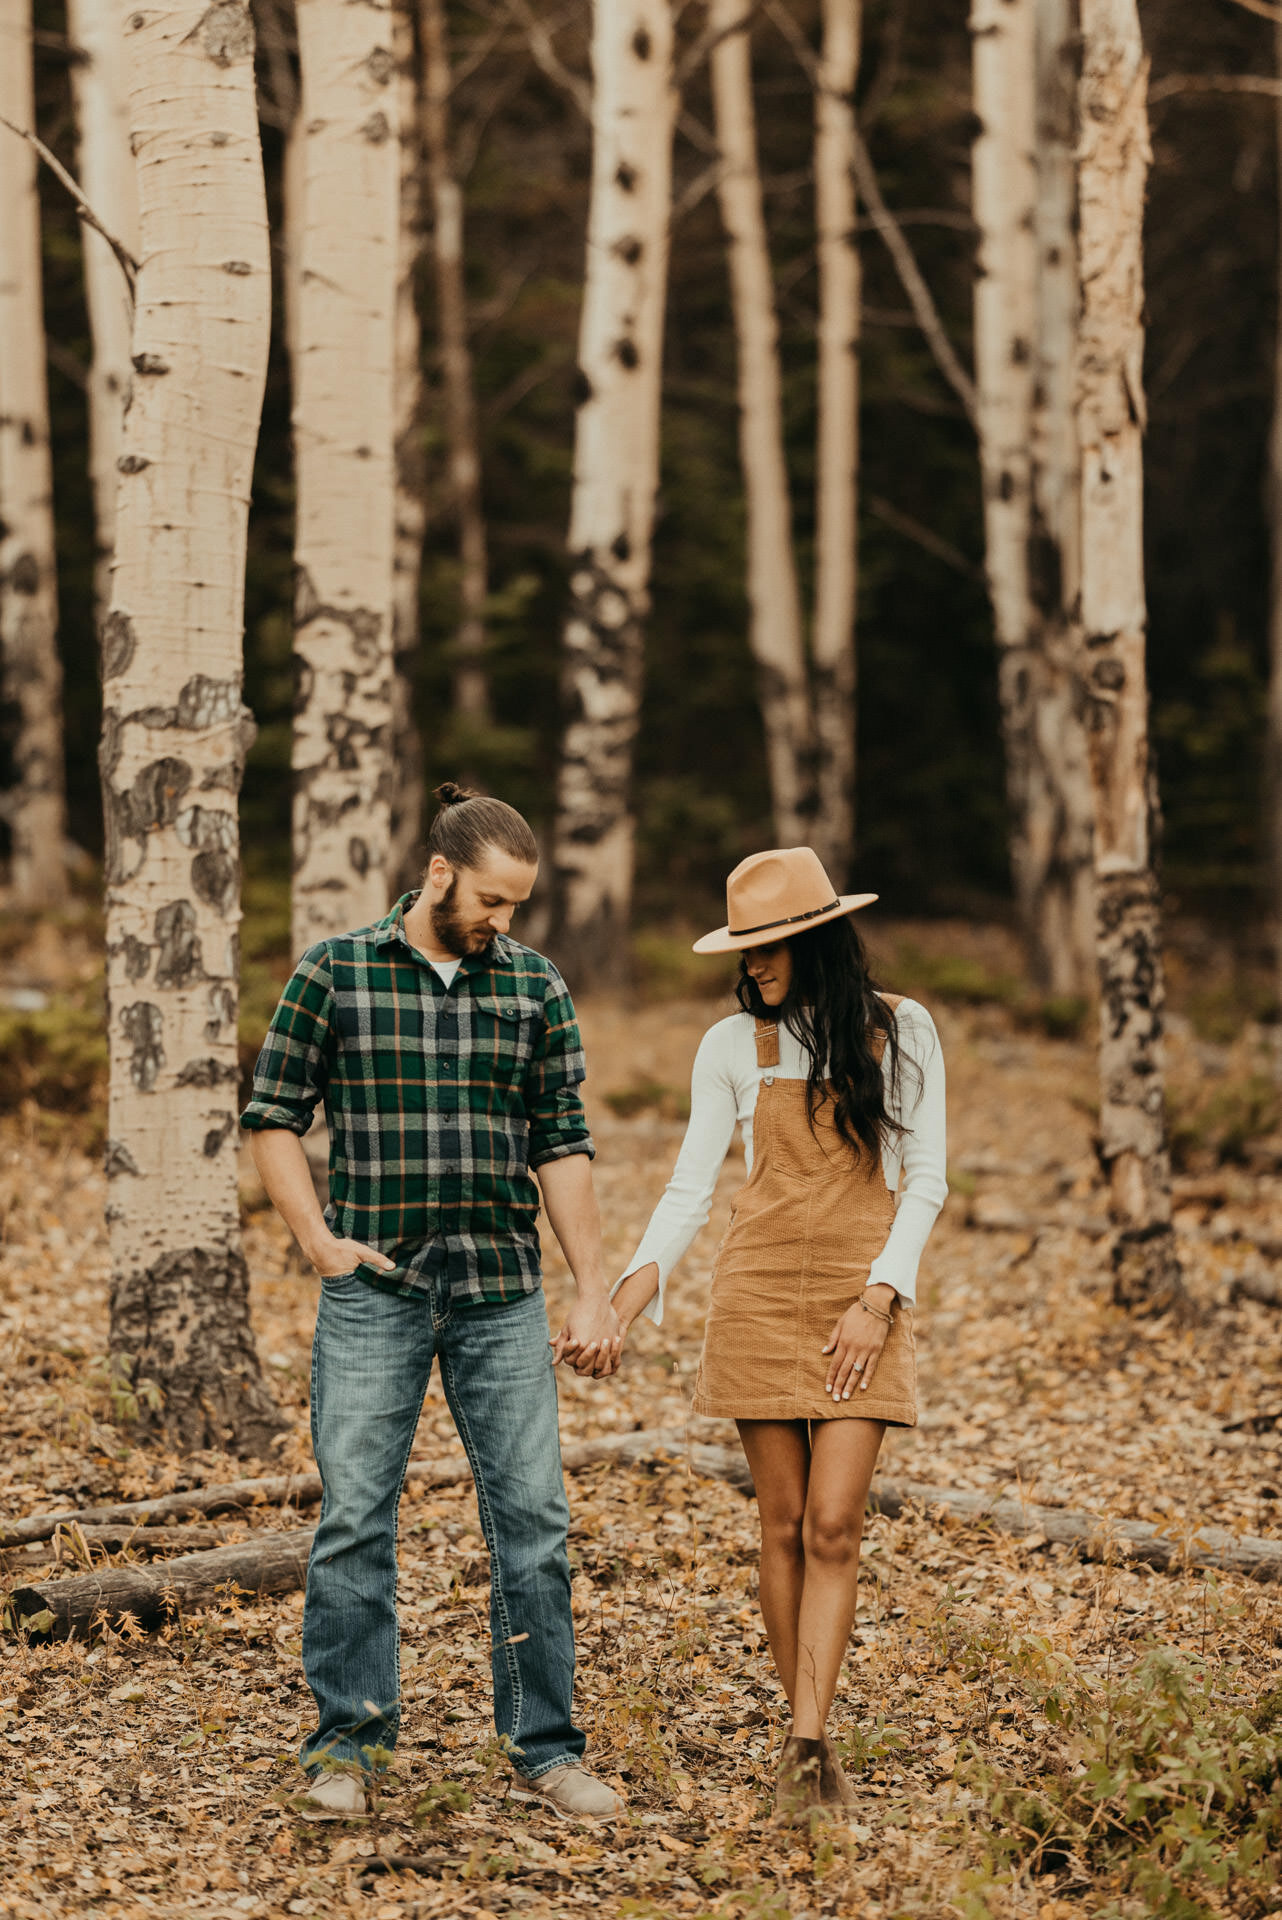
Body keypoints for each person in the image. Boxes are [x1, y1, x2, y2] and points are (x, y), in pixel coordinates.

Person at [240, 783, 624, 1822]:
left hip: (501, 1293)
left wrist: (592, 1288)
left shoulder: (534, 988)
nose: (505, 923)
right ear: (440, 873)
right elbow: (273, 1114)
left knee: (534, 1524)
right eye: (493, 902)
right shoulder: (337, 971)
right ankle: (348, 1751)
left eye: (517, 907)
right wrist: (316, 1239)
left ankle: (545, 1747)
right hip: (379, 1292)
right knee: (357, 1520)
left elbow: (562, 1143)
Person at [608, 847, 947, 1821]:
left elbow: (924, 1178)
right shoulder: (728, 1045)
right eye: (744, 948)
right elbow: (689, 1186)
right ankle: (801, 1742)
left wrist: (881, 1298)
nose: (751, 964)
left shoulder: (899, 1029)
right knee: (783, 1525)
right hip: (754, 1296)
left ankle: (809, 1737)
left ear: (814, 938)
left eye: (768, 946)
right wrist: (630, 1293)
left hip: (859, 1297)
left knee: (837, 1525)